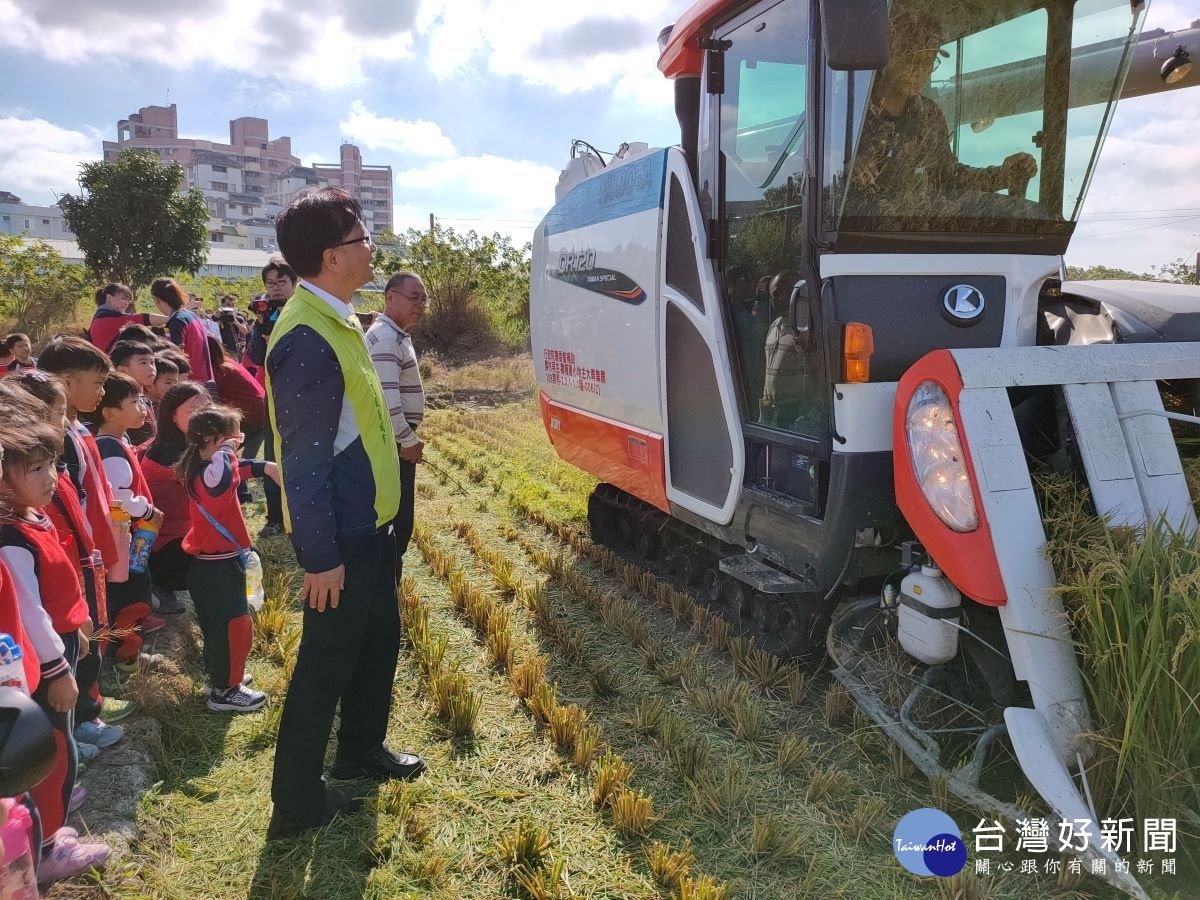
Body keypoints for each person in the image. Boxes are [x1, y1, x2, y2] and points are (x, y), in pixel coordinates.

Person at [266, 187, 425, 841]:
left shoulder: (339, 318)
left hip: (375, 528)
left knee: (377, 645)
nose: (372, 250)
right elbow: (302, 462)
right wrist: (321, 556)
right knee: (325, 665)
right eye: (364, 240)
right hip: (347, 540)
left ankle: (361, 751)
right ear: (334, 256)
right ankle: (297, 804)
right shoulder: (306, 335)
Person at [0, 404, 112, 883]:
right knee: (52, 749)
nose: (52, 478)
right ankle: (43, 849)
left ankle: (49, 826)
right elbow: (30, 613)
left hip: (58, 648)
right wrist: (57, 670)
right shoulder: (11, 538)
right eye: (37, 469)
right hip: (43, 665)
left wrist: (79, 628)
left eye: (52, 465)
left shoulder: (32, 518)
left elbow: (57, 591)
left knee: (60, 743)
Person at [848, 11, 1038, 217]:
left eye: (928, 61)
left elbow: (949, 176)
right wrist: (843, 165)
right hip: (858, 237)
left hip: (916, 236)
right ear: (889, 54)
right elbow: (813, 180)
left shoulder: (928, 116)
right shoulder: (846, 110)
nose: (921, 70)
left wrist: (1002, 176)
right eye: (913, 59)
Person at [177, 406, 275, 712]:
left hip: (216, 565)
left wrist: (265, 467)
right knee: (234, 626)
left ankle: (224, 675)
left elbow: (235, 471)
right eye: (232, 437)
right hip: (216, 567)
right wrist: (227, 450)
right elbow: (221, 482)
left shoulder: (202, 467)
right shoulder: (210, 474)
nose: (238, 443)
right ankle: (226, 691)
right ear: (211, 439)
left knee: (219, 628)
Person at [87, 373, 164, 669]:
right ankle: (126, 656)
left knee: (127, 591)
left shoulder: (115, 441)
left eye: (143, 400)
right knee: (131, 596)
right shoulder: (110, 449)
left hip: (126, 537)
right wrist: (145, 511)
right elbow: (117, 498)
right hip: (125, 541)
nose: (143, 407)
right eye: (134, 401)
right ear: (109, 412)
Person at [366, 271, 427, 563]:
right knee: (399, 521)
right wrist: (407, 439)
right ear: (391, 297)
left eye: (423, 300)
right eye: (414, 298)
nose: (420, 305)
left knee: (399, 520)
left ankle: (390, 583)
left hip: (396, 439)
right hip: (394, 441)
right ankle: (388, 587)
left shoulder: (392, 333)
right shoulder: (387, 338)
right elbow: (387, 402)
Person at [137, 382, 212, 616]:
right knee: (222, 562)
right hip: (164, 547)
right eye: (192, 412)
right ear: (172, 416)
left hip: (185, 533)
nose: (203, 417)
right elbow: (213, 482)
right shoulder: (166, 455)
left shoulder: (189, 443)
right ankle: (159, 585)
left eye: (207, 408)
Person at [205, 335, 266, 505]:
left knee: (223, 449)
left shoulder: (218, 370)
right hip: (260, 413)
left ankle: (238, 493)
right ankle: (243, 493)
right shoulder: (228, 363)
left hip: (251, 416)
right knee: (240, 455)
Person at [760, 270, 821, 432]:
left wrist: (812, 415)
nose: (779, 298)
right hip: (773, 416)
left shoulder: (808, 328)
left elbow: (822, 375)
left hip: (799, 417)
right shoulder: (775, 325)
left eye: (784, 293)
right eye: (774, 294)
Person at [150, 278, 215, 386]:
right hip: (206, 380)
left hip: (192, 384)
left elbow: (176, 357)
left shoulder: (177, 321)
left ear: (157, 300)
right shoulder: (191, 315)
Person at [87, 284, 168, 354]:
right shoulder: (108, 317)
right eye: (123, 298)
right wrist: (170, 318)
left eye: (128, 300)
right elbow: (142, 318)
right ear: (109, 298)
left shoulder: (101, 314)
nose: (126, 303)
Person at [110, 340, 158, 446]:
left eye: (152, 362)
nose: (151, 368)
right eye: (143, 363)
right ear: (123, 370)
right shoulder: (123, 401)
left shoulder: (144, 398)